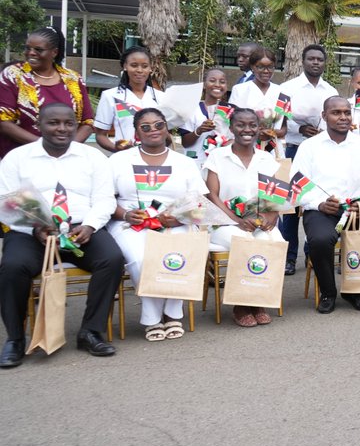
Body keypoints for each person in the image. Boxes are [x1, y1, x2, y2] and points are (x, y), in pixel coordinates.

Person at [0, 104, 122, 367]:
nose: (62, 129)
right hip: (32, 230)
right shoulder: (16, 158)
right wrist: (35, 226)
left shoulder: (93, 158)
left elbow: (104, 200)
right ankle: (16, 339)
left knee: (111, 259)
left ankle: (90, 331)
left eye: (68, 123)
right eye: (53, 123)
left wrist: (89, 226)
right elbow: (7, 201)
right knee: (12, 267)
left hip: (80, 228)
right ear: (39, 125)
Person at [107, 107, 206, 341]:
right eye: (146, 127)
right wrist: (125, 215)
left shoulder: (184, 162)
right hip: (131, 223)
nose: (153, 130)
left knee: (177, 256)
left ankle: (172, 314)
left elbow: (198, 203)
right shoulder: (118, 160)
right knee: (142, 259)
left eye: (159, 125)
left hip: (175, 221)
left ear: (167, 128)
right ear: (136, 132)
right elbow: (105, 200)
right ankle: (152, 318)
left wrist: (182, 216)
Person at [292, 96, 360, 314]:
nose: (343, 117)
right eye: (336, 112)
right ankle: (328, 292)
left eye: (347, 112)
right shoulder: (309, 147)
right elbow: (296, 185)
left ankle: (355, 289)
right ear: (324, 116)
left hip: (358, 209)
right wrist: (318, 204)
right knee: (320, 239)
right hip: (323, 210)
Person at [203, 107, 286, 328]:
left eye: (252, 125)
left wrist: (272, 215)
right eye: (241, 124)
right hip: (224, 222)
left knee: (275, 243)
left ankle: (258, 300)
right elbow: (212, 195)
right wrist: (236, 221)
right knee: (247, 244)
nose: (246, 129)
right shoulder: (218, 156)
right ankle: (241, 304)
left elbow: (273, 194)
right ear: (231, 127)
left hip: (257, 221)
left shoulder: (265, 158)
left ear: (259, 129)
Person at [276, 45, 338, 275]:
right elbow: (279, 119)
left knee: (318, 203)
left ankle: (313, 251)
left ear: (324, 63)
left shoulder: (330, 90)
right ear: (302, 61)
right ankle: (289, 257)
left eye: (319, 59)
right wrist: (299, 127)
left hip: (321, 153)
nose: (315, 62)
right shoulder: (287, 88)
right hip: (293, 148)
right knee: (291, 206)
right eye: (311, 58)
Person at [0, 26, 95, 158]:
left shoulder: (73, 79)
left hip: (66, 159)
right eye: (28, 48)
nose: (31, 53)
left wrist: (66, 150)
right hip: (22, 157)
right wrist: (45, 148)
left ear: (54, 52)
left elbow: (88, 122)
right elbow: (4, 122)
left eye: (38, 50)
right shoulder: (13, 75)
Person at [93, 46, 162, 152]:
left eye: (144, 66)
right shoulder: (110, 96)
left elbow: (166, 135)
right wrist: (118, 150)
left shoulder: (161, 97)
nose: (139, 70)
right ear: (125, 66)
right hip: (124, 161)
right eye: (134, 65)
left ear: (150, 68)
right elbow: (100, 136)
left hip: (154, 160)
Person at [227, 46, 285, 158]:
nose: (266, 71)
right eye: (260, 67)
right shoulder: (240, 90)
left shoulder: (282, 92)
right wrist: (255, 132)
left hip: (273, 148)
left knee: (273, 174)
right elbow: (230, 122)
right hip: (246, 146)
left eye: (270, 67)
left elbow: (284, 129)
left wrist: (271, 133)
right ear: (252, 67)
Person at [180, 67, 231, 166]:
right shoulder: (192, 109)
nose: (217, 84)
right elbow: (185, 143)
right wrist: (199, 131)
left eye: (222, 82)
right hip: (196, 163)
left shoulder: (232, 111)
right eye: (212, 81)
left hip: (222, 165)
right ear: (203, 85)